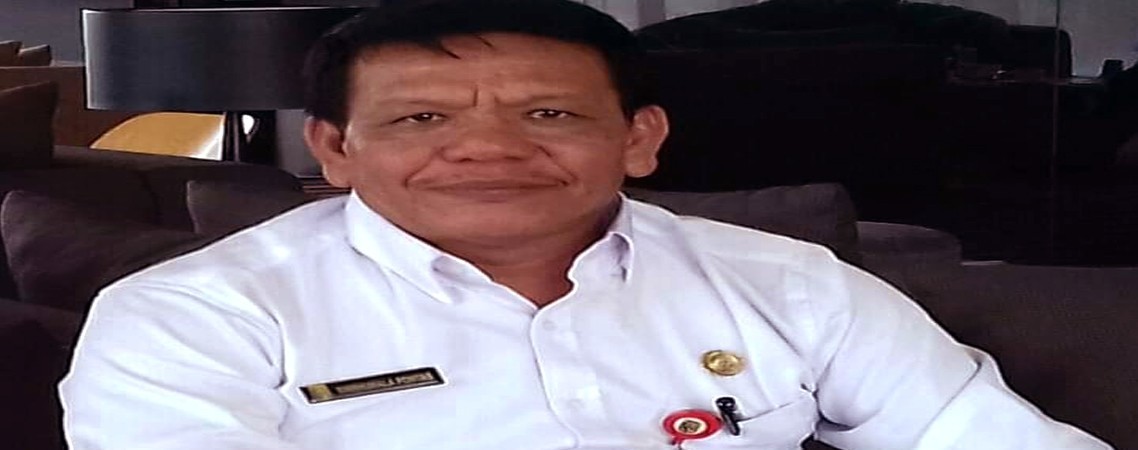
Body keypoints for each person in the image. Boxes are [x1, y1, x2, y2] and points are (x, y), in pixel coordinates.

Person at [59, 0, 1110, 449]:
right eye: (422, 119)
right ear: (335, 149)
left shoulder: (791, 283)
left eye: (549, 115)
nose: (487, 149)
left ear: (640, 138)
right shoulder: (194, 316)